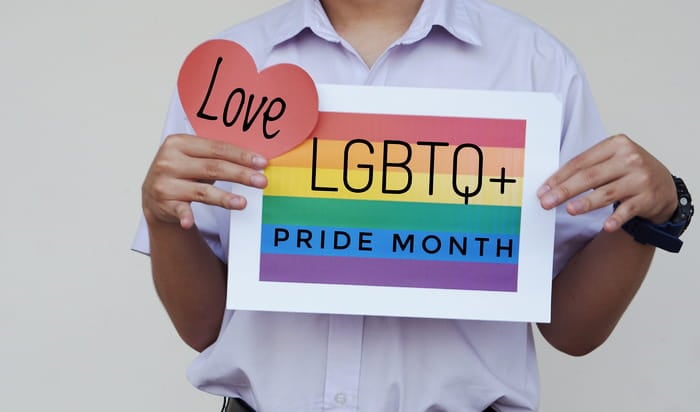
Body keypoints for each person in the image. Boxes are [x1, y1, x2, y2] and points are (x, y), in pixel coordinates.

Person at [131, 0, 693, 411]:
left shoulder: (535, 65)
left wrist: (655, 212)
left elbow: (572, 331)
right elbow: (202, 326)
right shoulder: (231, 69)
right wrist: (163, 218)